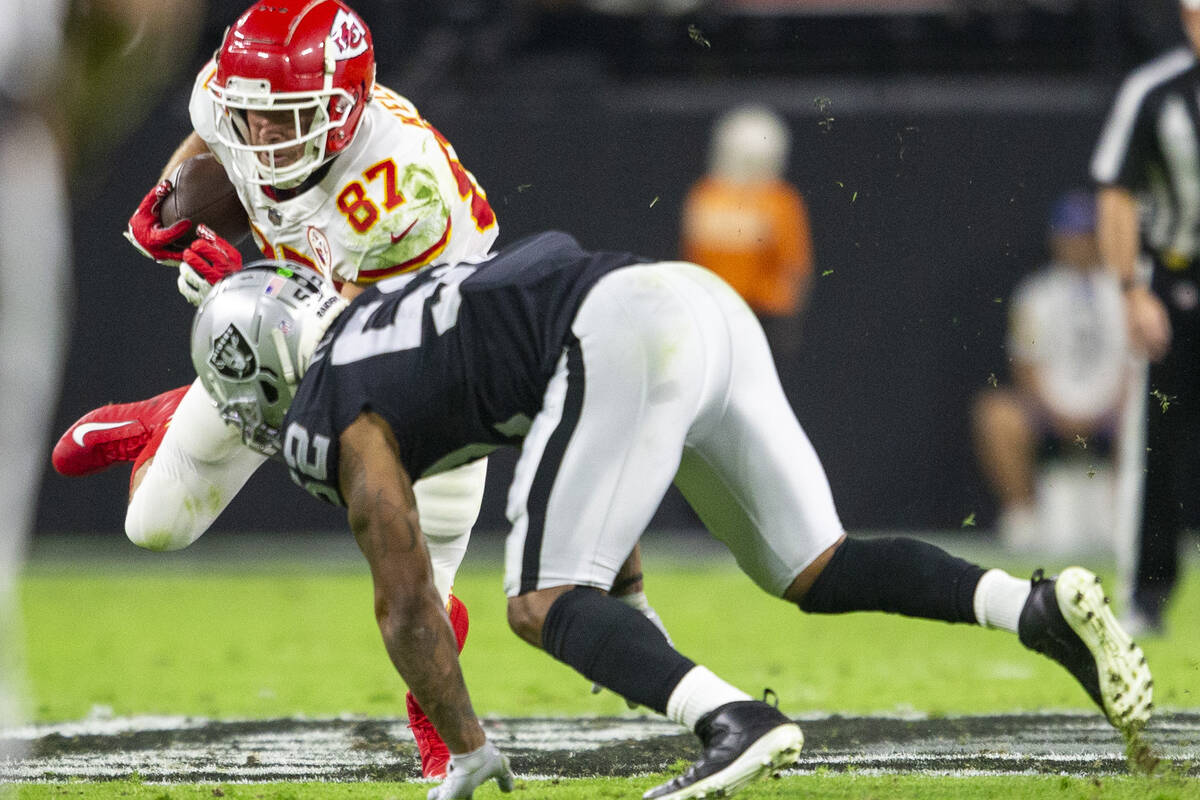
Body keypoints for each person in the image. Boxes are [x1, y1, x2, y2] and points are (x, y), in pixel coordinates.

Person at [190, 236, 1153, 800]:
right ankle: (1031, 609)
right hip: (685, 302)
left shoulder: (331, 414)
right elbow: (582, 433)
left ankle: (736, 720)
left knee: (537, 599)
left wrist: (468, 745)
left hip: (616, 334)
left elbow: (405, 604)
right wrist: (632, 608)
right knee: (812, 563)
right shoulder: (383, 320)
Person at [47, 0, 500, 779]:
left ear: (343, 107)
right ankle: (169, 414)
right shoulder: (233, 98)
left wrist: (259, 290)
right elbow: (213, 137)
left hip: (433, 360)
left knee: (426, 579)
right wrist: (167, 198)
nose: (263, 137)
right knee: (153, 527)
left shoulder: (400, 188)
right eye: (252, 117)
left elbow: (369, 348)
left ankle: (444, 741)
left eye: (284, 119)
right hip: (304, 321)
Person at [1091, 0, 1200, 636]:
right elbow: (1116, 191)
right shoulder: (1155, 93)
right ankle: (1146, 596)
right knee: (1159, 442)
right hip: (1179, 282)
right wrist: (1132, 288)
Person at [972, 190, 1129, 553]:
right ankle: (1025, 517)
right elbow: (1025, 366)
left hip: (1111, 408)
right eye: (1070, 237)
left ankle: (1123, 513)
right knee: (996, 415)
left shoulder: (1125, 289)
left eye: (1086, 236)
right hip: (1050, 409)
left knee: (1150, 415)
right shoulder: (1035, 295)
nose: (1078, 246)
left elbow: (1135, 366)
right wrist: (1055, 413)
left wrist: (1113, 407)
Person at [680, 104, 814, 374]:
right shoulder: (775, 201)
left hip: (753, 315)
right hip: (724, 315)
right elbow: (796, 268)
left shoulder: (708, 195)